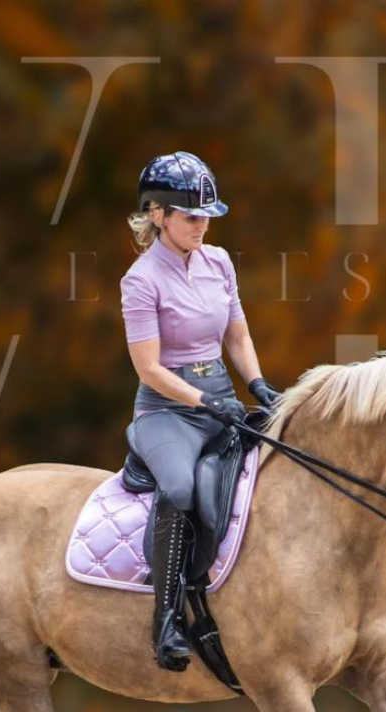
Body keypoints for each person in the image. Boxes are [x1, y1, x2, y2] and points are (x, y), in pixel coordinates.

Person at [120, 151, 281, 672]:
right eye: (191, 216)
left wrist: (257, 383)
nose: (201, 225)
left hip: (220, 397)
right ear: (159, 215)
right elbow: (149, 369)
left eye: (207, 215)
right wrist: (205, 401)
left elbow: (236, 332)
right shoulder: (141, 281)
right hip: (168, 411)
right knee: (181, 490)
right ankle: (165, 618)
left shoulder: (219, 262)